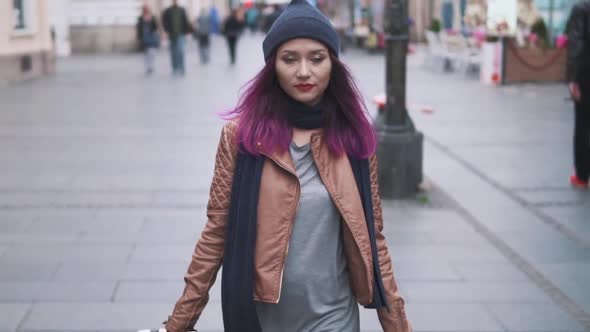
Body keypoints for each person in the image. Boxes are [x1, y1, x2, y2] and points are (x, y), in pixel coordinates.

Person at [162, 1, 412, 331]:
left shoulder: (354, 140)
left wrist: (397, 324)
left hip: (333, 317)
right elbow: (216, 233)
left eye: (317, 59)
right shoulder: (242, 137)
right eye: (289, 59)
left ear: (333, 65)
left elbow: (373, 236)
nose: (304, 71)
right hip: (262, 318)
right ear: (273, 66)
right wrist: (178, 323)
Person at [566, 1, 590, 189]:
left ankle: (582, 175)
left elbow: (577, 45)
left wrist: (573, 78)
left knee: (583, 124)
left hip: (586, 75)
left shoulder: (581, 9)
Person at [162, 0, 192, 76]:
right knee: (173, 52)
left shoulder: (182, 10)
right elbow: (164, 21)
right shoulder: (168, 11)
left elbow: (186, 21)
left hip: (180, 34)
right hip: (171, 34)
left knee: (180, 50)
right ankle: (174, 67)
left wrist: (187, 31)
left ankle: (182, 67)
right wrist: (166, 31)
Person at [136, 5, 159, 75]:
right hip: (144, 38)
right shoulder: (140, 18)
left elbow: (156, 27)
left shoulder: (152, 17)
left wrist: (151, 20)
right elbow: (138, 28)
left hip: (151, 37)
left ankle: (151, 66)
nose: (145, 11)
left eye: (146, 9)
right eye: (144, 10)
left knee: (152, 53)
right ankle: (147, 67)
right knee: (145, 54)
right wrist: (138, 38)